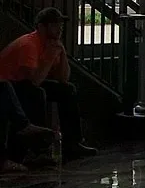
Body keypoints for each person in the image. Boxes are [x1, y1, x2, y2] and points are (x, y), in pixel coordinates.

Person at [0, 9, 96, 159]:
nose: (59, 29)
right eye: (54, 25)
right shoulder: (29, 44)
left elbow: (63, 79)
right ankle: (40, 149)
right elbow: (34, 82)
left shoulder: (51, 45)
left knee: (67, 90)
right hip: (8, 85)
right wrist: (49, 57)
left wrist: (62, 53)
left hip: (26, 82)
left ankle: (72, 143)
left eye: (60, 25)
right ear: (41, 27)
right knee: (37, 93)